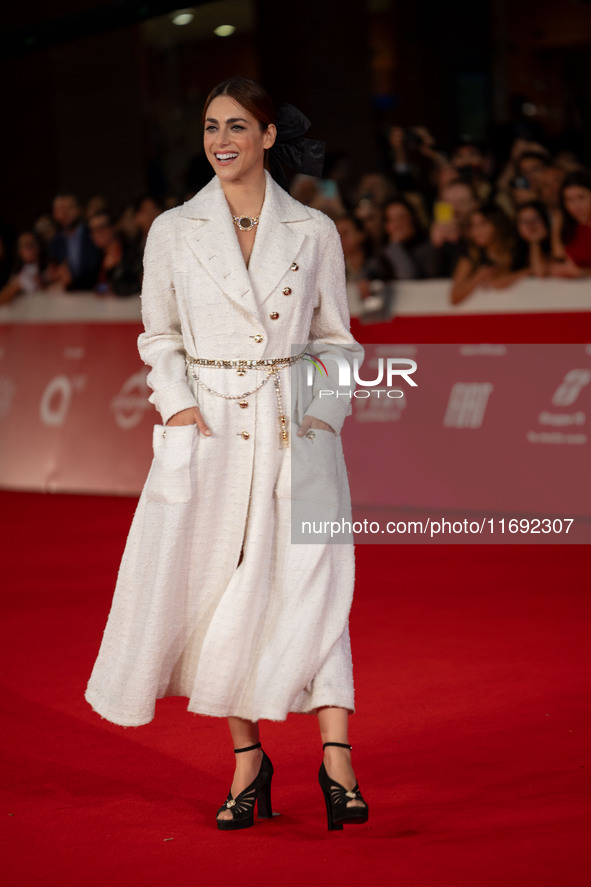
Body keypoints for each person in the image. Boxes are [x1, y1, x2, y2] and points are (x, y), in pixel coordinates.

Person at [84, 77, 368, 833]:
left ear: (269, 136)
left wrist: (322, 417)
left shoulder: (312, 230)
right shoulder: (174, 230)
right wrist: (176, 403)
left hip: (290, 425)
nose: (221, 139)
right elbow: (158, 335)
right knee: (217, 588)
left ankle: (336, 755)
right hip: (205, 425)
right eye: (211, 126)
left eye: (237, 125)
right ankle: (250, 760)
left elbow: (335, 340)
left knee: (311, 577)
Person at [450, 204, 528, 305]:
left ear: (497, 224)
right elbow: (454, 297)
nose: (477, 231)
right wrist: (477, 279)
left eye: (483, 224)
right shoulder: (471, 256)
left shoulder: (518, 250)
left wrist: (527, 272)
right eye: (473, 226)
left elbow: (497, 283)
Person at [550, 169, 591, 277]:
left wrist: (583, 272)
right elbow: (559, 258)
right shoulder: (568, 223)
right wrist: (558, 222)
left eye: (581, 197)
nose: (576, 206)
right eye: (569, 199)